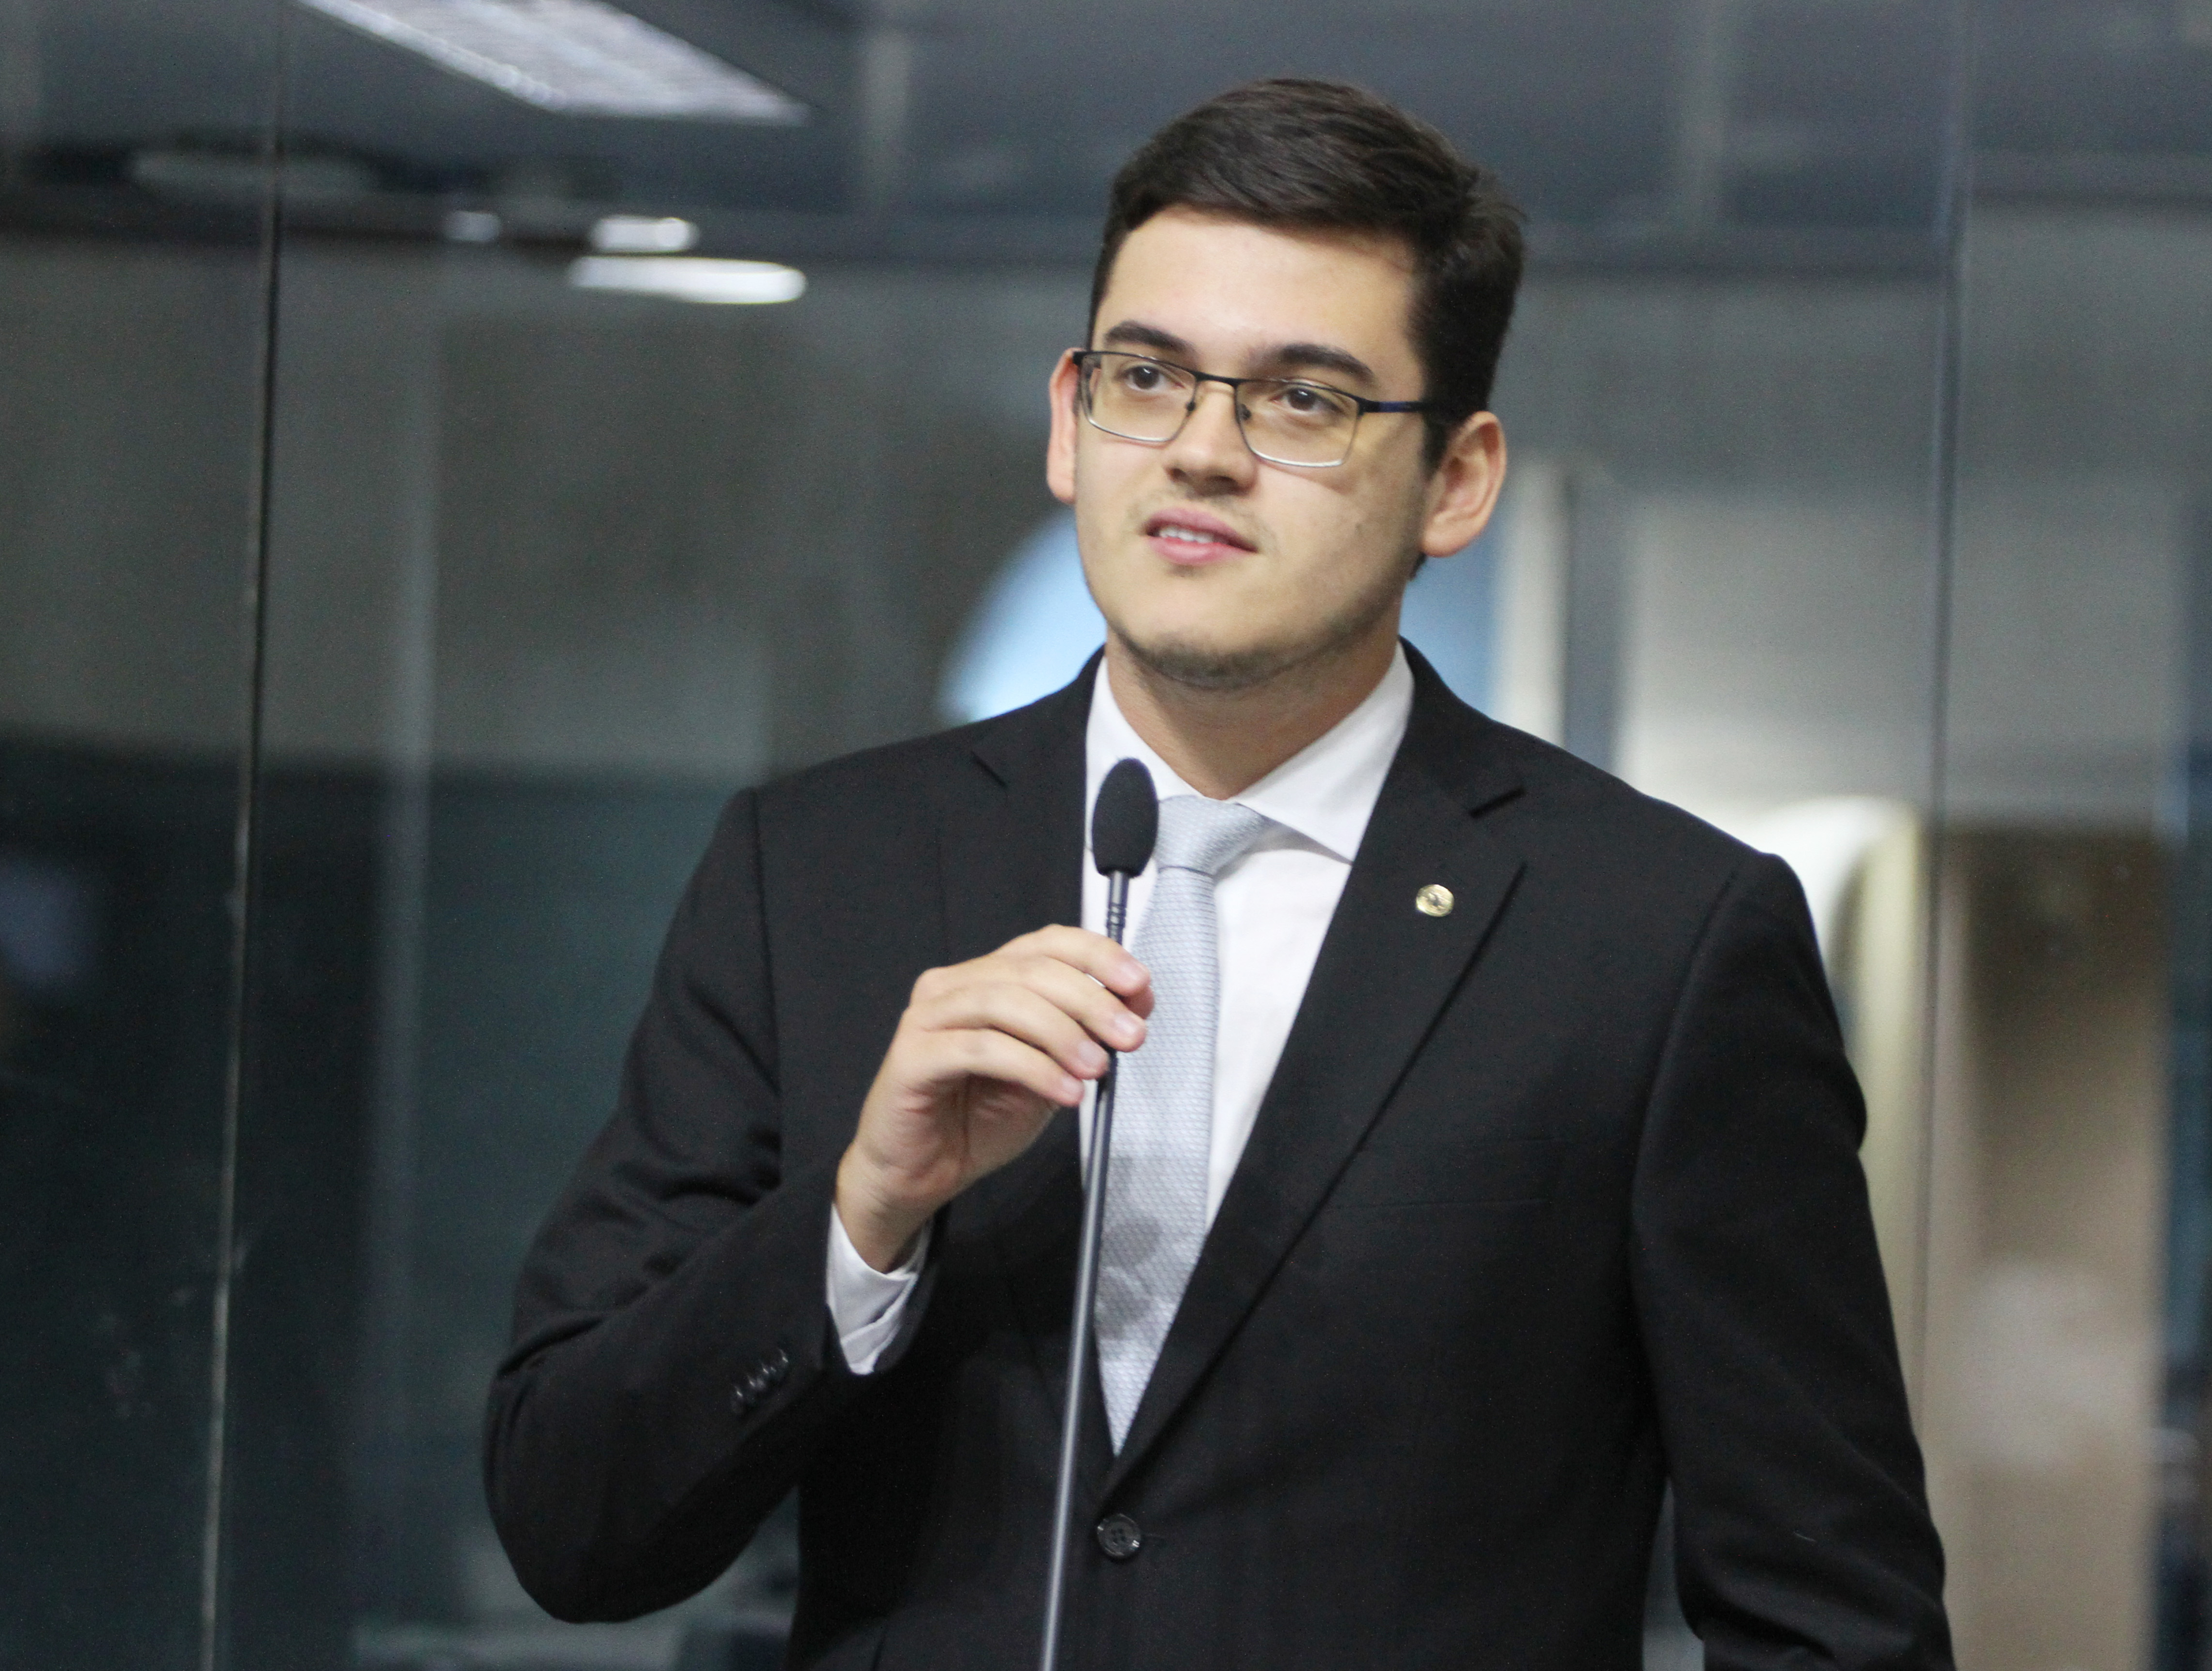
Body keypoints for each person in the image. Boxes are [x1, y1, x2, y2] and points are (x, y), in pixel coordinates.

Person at [486, 78, 1952, 1671]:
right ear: (1071, 421)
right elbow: (573, 1518)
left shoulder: (1658, 940)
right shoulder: (819, 873)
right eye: (1148, 378)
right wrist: (863, 1218)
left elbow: (1833, 1617)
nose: (1202, 452)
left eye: (1303, 401)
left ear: (1456, 479)